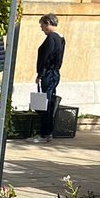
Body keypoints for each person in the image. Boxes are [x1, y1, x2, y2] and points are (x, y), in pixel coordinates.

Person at [34, 13, 66, 142]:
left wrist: (40, 74)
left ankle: (45, 133)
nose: (41, 28)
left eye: (42, 25)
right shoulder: (60, 37)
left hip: (49, 73)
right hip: (54, 73)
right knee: (49, 101)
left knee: (45, 103)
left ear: (48, 23)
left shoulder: (52, 38)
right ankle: (48, 132)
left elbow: (46, 57)